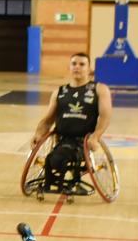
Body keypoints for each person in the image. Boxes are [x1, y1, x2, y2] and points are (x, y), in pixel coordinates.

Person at [30, 52, 112, 192]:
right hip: (62, 139)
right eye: (74, 64)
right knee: (55, 159)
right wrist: (38, 134)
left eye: (82, 64)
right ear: (69, 67)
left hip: (83, 140)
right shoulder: (59, 91)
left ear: (89, 69)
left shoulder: (99, 89)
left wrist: (96, 136)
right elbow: (48, 119)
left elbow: (105, 116)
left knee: (64, 157)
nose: (77, 67)